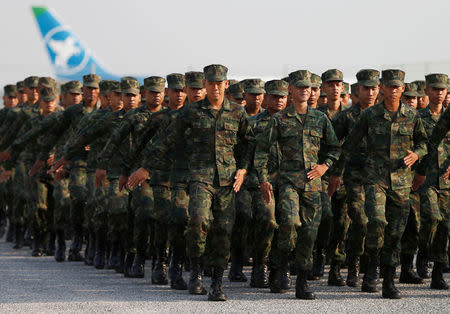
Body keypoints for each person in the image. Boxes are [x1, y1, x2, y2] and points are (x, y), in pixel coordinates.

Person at [129, 64, 254, 301]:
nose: (215, 87)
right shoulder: (192, 112)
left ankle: (217, 282)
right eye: (211, 83)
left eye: (220, 83)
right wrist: (146, 167)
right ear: (205, 85)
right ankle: (196, 271)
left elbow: (249, 142)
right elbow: (167, 140)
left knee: (223, 231)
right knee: (197, 221)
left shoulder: (237, 112)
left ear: (226, 85)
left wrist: (244, 168)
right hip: (199, 177)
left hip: (227, 181)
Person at [339, 69, 427, 299]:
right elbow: (349, 144)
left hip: (401, 182)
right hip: (374, 179)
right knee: (377, 222)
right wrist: (336, 172)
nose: (394, 89)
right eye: (390, 86)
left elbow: (424, 143)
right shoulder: (370, 115)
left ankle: (388, 280)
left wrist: (416, 154)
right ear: (383, 88)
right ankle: (370, 268)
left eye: (398, 86)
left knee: (396, 232)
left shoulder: (412, 115)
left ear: (403, 88)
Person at [255, 69, 340, 299]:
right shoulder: (279, 119)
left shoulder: (320, 119)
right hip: (288, 183)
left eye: (308, 87)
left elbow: (334, 148)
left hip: (313, 186)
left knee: (309, 234)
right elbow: (261, 151)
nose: (304, 91)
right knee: (290, 223)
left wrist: (325, 166)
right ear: (290, 90)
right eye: (300, 87)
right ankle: (280, 268)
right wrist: (263, 179)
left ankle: (302, 280)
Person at [328, 69, 380, 287]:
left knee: (378, 222)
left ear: (379, 89)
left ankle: (371, 267)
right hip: (354, 177)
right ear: (357, 89)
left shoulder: (385, 115)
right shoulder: (346, 117)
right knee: (359, 220)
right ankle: (354, 263)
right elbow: (331, 145)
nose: (369, 93)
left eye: (373, 88)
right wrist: (334, 173)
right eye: (365, 88)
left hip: (380, 179)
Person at [412, 74, 449, 290]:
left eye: (442, 89)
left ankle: (437, 273)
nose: (439, 93)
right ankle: (423, 251)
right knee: (431, 218)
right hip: (424, 178)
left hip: (446, 179)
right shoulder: (417, 117)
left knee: (444, 225)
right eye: (434, 89)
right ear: (427, 91)